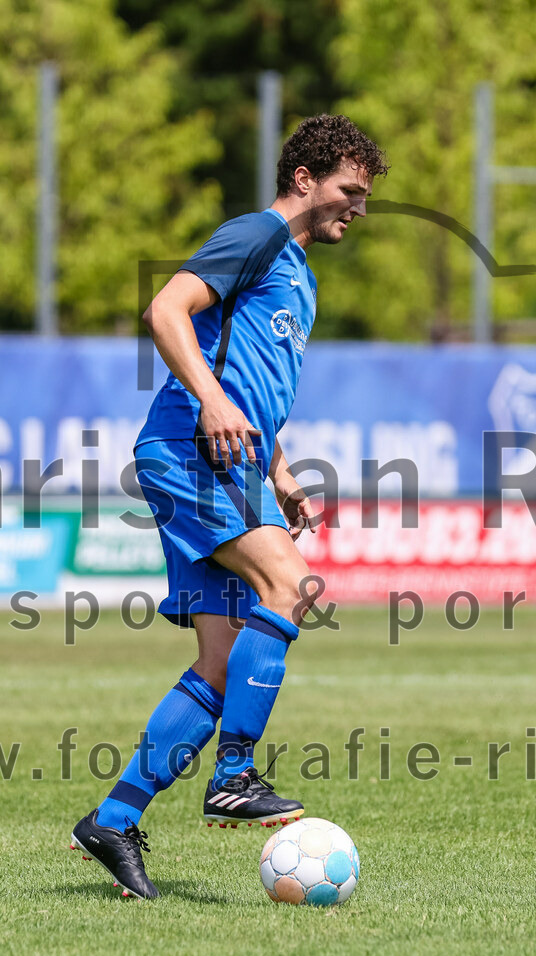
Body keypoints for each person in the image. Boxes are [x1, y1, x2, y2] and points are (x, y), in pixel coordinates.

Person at [70, 115, 388, 899]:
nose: (358, 207)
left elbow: (249, 384)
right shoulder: (258, 235)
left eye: (367, 197)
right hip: (191, 451)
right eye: (349, 190)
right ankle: (235, 776)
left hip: (233, 461)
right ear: (306, 179)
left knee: (217, 667)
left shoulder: (302, 275)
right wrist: (211, 404)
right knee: (290, 586)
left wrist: (278, 470)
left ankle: (114, 819)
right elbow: (166, 311)